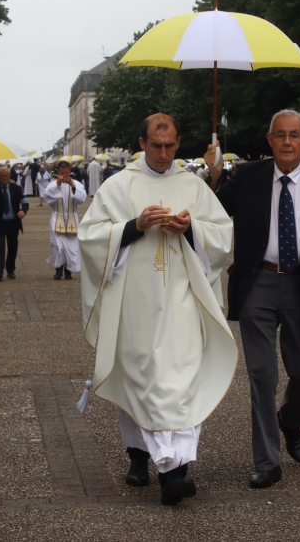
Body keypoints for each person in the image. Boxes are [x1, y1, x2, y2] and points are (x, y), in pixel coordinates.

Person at [78, 113, 235, 505]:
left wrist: (191, 228)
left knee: (181, 379)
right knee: (141, 376)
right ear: (142, 143)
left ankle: (174, 471)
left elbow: (222, 236)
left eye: (169, 146)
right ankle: (139, 456)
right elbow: (91, 237)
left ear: (178, 143)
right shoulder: (119, 185)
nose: (163, 154)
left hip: (183, 300)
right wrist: (133, 226)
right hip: (136, 302)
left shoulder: (193, 186)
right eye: (155, 145)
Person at [205, 109, 300, 489]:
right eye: (280, 135)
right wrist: (215, 173)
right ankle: (267, 462)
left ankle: (289, 419)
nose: (287, 142)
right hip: (258, 283)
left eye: (294, 135)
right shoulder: (248, 177)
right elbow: (214, 211)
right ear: (269, 139)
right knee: (262, 376)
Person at [0, 166, 28, 281]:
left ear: (9, 176)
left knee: (13, 247)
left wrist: (23, 210)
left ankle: (10, 269)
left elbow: (25, 202)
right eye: (1, 176)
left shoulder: (16, 188)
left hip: (13, 223)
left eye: (5, 176)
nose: (3, 178)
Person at [44, 161, 86, 280]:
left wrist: (73, 187)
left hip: (72, 217)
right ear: (58, 172)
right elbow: (47, 198)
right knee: (58, 246)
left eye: (66, 173)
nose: (64, 175)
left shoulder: (77, 183)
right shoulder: (52, 184)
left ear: (70, 171)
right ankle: (58, 269)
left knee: (72, 247)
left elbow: (82, 199)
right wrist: (57, 185)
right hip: (57, 216)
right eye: (62, 173)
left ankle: (69, 270)